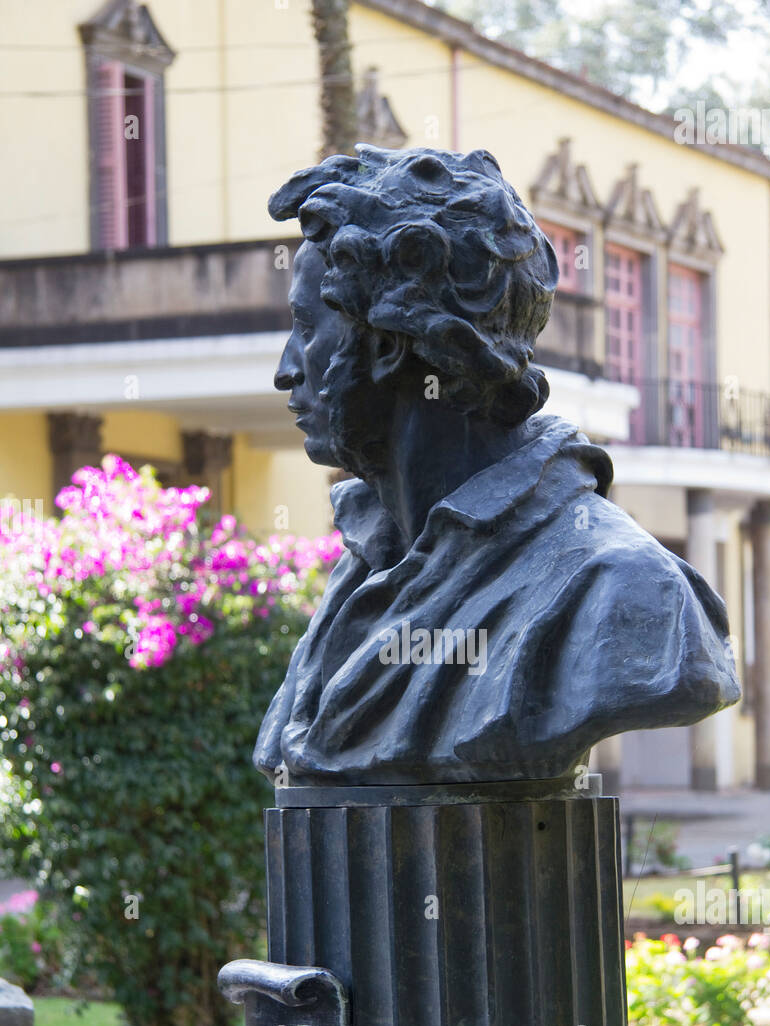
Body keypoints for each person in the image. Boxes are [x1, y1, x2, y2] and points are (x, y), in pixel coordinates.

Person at [254, 145, 740, 785]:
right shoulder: (367, 561)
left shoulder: (619, 584)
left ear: (394, 342)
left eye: (306, 328)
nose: (286, 370)